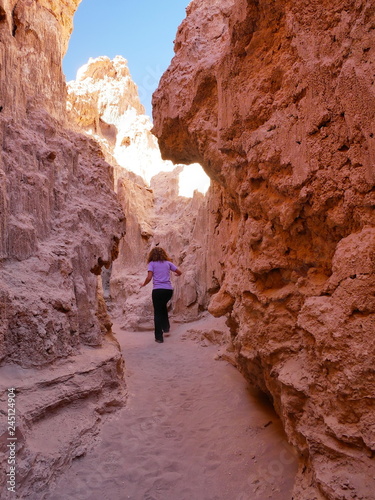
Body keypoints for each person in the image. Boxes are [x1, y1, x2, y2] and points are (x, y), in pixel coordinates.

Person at [141, 247, 182, 343]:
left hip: (158, 290)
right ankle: (166, 328)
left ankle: (159, 337)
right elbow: (179, 272)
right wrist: (177, 275)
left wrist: (144, 284)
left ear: (152, 255)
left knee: (157, 313)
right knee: (163, 307)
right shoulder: (168, 263)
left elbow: (149, 277)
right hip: (168, 291)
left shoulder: (152, 264)